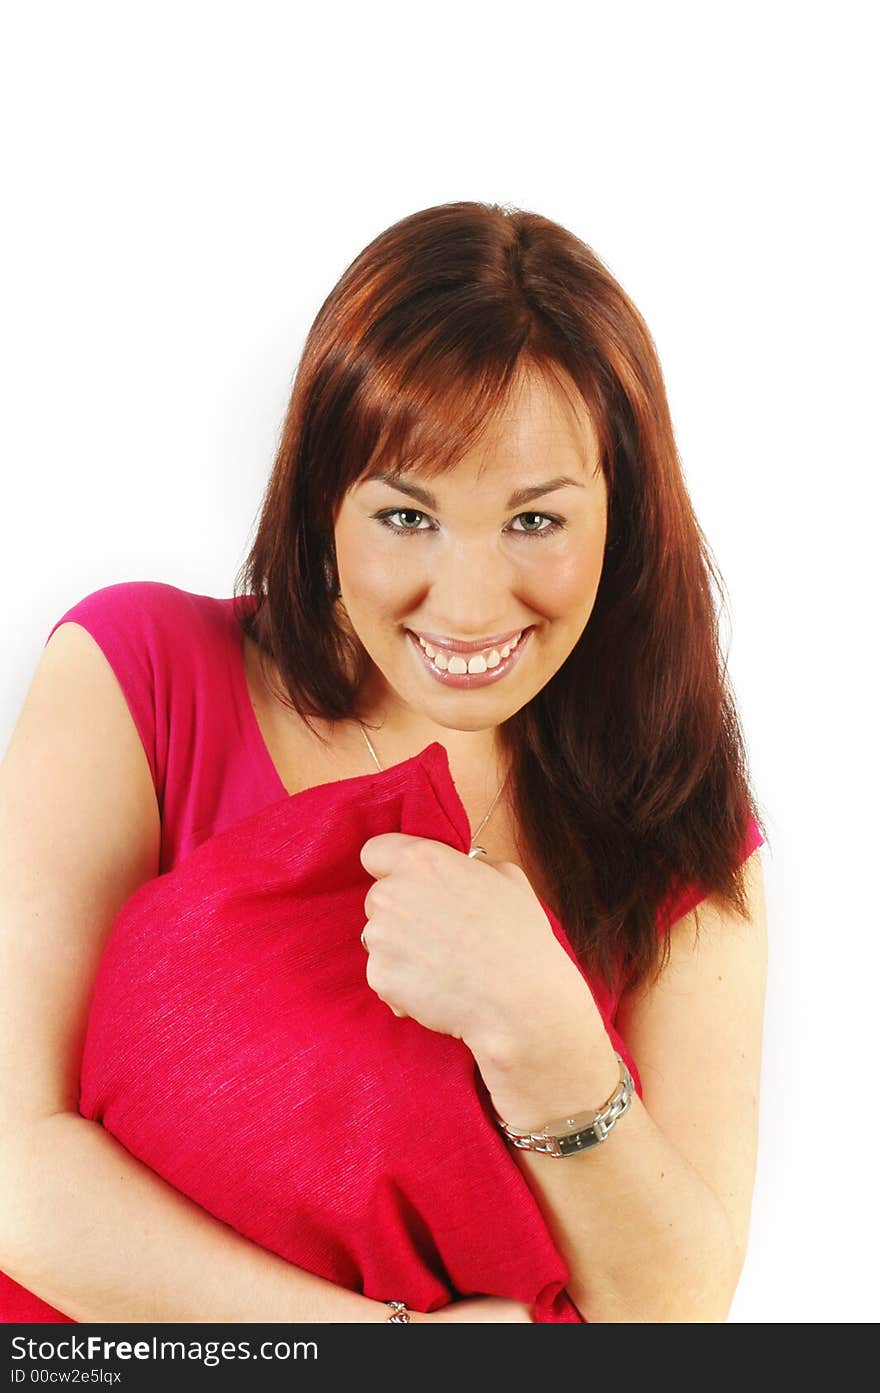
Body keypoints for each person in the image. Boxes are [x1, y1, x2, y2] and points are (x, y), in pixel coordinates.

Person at [0, 200, 768, 1324]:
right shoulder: (138, 675)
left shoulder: (684, 829)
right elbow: (16, 1167)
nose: (465, 603)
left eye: (535, 521)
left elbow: (674, 1311)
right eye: (406, 516)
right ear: (322, 505)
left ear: (627, 518)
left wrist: (548, 1039)